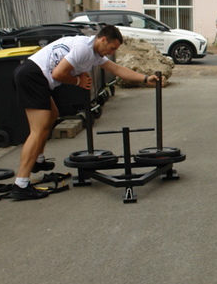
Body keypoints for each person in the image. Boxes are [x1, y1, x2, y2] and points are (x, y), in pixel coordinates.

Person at [10, 25, 159, 200]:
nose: (112, 52)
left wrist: (145, 78)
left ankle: (37, 160)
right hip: (32, 76)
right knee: (38, 130)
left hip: (36, 77)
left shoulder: (94, 53)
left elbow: (117, 69)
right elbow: (58, 74)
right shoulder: (83, 49)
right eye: (112, 48)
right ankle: (20, 184)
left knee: (52, 115)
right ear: (103, 40)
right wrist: (77, 81)